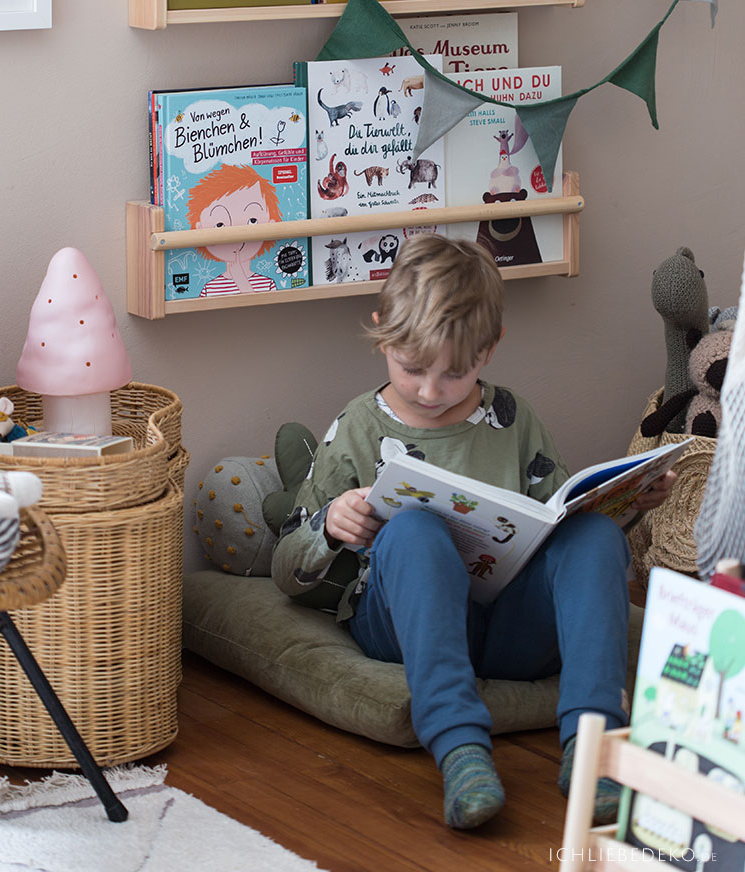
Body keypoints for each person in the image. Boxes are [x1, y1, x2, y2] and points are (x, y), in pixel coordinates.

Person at [271, 234, 676, 830]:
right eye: (412, 369)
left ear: (489, 350)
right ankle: (461, 747)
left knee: (593, 539)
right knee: (413, 532)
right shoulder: (357, 427)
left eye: (454, 374)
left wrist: (626, 504)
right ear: (382, 332)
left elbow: (561, 521)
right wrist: (331, 528)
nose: (430, 391)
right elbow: (285, 566)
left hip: (511, 627)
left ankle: (594, 747)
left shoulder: (511, 418)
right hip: (409, 623)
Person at [186, 163, 280, 296]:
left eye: (252, 221)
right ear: (199, 228)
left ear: (271, 224)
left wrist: (241, 280)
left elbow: (265, 309)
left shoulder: (267, 284)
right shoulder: (209, 288)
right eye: (219, 224)